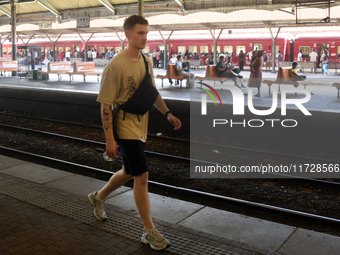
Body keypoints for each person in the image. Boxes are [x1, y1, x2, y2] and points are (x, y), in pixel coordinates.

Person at [88, 15, 181, 251]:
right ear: (127, 35)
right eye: (140, 33)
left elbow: (152, 92)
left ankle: (98, 197)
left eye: (146, 33)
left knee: (128, 171)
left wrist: (167, 113)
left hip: (141, 126)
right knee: (141, 176)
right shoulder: (115, 66)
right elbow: (106, 105)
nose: (145, 37)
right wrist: (109, 138)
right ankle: (149, 231)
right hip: (124, 127)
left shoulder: (146, 61)